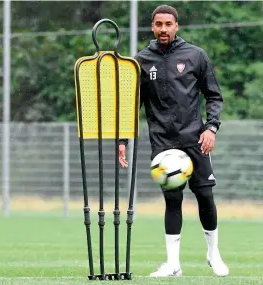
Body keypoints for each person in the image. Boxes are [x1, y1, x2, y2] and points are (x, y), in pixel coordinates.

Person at [118, 5, 229, 277]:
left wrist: (211, 128)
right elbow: (132, 105)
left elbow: (213, 96)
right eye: (158, 24)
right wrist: (122, 139)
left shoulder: (195, 55)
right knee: (172, 200)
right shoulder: (141, 61)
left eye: (168, 24)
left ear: (176, 26)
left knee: (204, 194)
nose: (163, 29)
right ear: (152, 27)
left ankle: (213, 253)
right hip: (163, 144)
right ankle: (173, 264)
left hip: (195, 139)